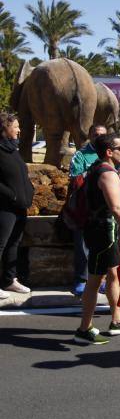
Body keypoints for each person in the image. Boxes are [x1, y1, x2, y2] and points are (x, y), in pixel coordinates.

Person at [74, 133, 120, 344]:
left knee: (112, 273)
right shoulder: (107, 174)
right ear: (109, 152)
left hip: (101, 230)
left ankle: (117, 319)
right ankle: (84, 329)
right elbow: (116, 208)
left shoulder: (97, 168)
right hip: (103, 232)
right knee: (94, 281)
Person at [68, 123, 120, 297]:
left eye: (102, 134)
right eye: (95, 134)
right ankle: (81, 279)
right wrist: (100, 172)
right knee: (83, 247)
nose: (98, 136)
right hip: (87, 209)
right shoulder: (81, 155)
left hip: (108, 213)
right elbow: (74, 177)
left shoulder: (114, 156)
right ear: (89, 135)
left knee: (106, 256)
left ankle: (101, 286)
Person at [0, 113, 34, 300]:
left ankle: (9, 280)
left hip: (20, 206)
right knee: (1, 244)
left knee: (14, 243)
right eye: (16, 126)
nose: (19, 130)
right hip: (5, 207)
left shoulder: (13, 150)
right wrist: (11, 195)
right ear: (5, 128)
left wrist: (29, 191)